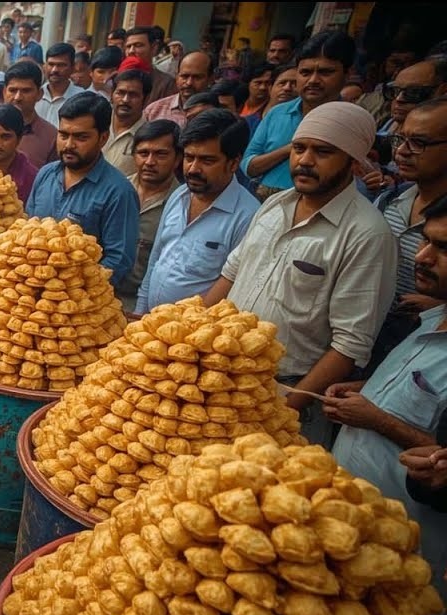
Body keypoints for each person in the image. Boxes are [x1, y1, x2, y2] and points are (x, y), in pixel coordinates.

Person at [205, 101, 396, 446]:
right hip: (221, 380)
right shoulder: (274, 205)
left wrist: (283, 410)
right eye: (299, 148)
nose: (305, 161)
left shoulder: (367, 234)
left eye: (322, 152)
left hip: (285, 395)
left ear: (354, 161)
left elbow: (349, 345)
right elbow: (231, 275)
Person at [327, 195, 447, 615]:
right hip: (340, 531)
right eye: (426, 242)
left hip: (400, 563)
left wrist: (378, 419)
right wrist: (367, 391)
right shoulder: (430, 319)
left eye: (443, 248)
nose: (422, 256)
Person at [135, 110, 258, 313]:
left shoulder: (248, 217)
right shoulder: (179, 195)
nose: (192, 169)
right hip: (150, 327)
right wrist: (140, 311)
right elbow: (156, 258)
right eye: (189, 157)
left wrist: (188, 328)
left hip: (195, 334)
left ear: (234, 163)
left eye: (207, 161)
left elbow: (232, 286)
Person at [27, 93, 140, 286]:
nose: (69, 145)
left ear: (103, 138)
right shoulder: (45, 175)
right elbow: (26, 230)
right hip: (32, 293)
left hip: (81, 303)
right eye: (63, 135)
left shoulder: (119, 191)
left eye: (81, 137)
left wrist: (70, 289)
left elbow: (118, 260)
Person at [370, 98, 447, 365]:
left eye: (419, 143)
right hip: (376, 341)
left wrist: (441, 310)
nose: (402, 151)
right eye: (400, 140)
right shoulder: (389, 200)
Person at [243, 31, 354, 201]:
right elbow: (248, 166)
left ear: (346, 75)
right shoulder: (277, 113)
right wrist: (291, 148)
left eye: (325, 72)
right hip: (262, 200)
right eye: (305, 72)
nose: (313, 80)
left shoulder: (352, 122)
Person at [113, 119, 181, 309]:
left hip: (146, 305)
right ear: (134, 156)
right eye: (143, 153)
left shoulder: (182, 204)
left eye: (161, 154)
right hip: (102, 293)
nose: (150, 162)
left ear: (177, 159)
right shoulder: (116, 190)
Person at [3, 61, 59, 170]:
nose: (18, 97)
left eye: (26, 91)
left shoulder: (52, 136)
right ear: (4, 92)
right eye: (13, 90)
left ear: (39, 94)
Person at [142, 51, 213, 127]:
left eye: (197, 77)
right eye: (184, 76)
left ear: (211, 79)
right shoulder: (153, 111)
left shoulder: (217, 113)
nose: (189, 83)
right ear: (176, 76)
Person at [103, 68, 151, 176]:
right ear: (111, 95)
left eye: (133, 95)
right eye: (120, 93)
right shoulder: (97, 123)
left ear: (146, 99)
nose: (125, 100)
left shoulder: (148, 137)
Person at [35, 43, 88, 126]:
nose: (54, 70)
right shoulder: (34, 94)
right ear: (44, 66)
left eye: (61, 65)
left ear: (72, 67)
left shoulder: (82, 98)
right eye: (51, 64)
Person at [123, 26, 176, 104]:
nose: (131, 51)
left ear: (154, 48)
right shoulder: (117, 78)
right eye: (128, 46)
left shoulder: (166, 84)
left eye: (138, 45)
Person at [240, 62, 274, 134]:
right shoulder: (237, 103)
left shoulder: (271, 109)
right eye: (258, 83)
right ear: (249, 84)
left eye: (267, 83)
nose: (263, 87)